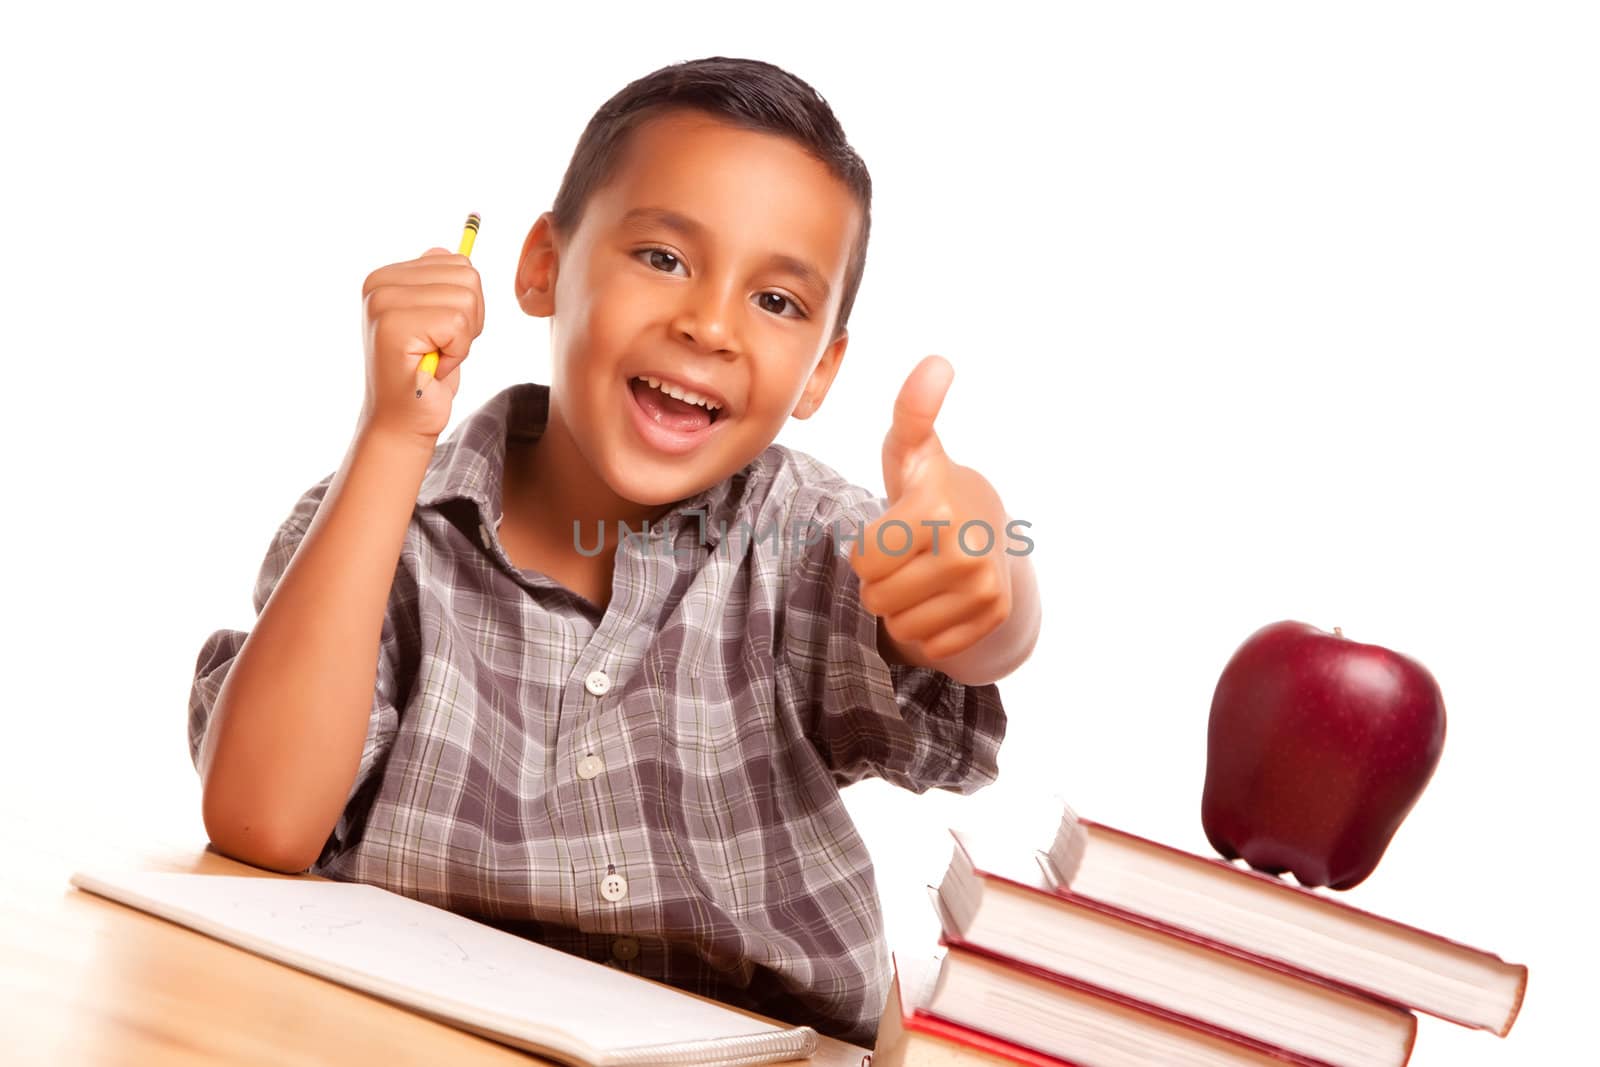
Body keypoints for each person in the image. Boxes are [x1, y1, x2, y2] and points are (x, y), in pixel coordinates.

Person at [188, 56, 1041, 1045]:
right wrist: (391, 437)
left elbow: (960, 632)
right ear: (542, 265)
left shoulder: (797, 535)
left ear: (821, 371)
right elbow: (258, 822)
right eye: (663, 257)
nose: (708, 323)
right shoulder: (382, 530)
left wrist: (986, 572)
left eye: (777, 302)